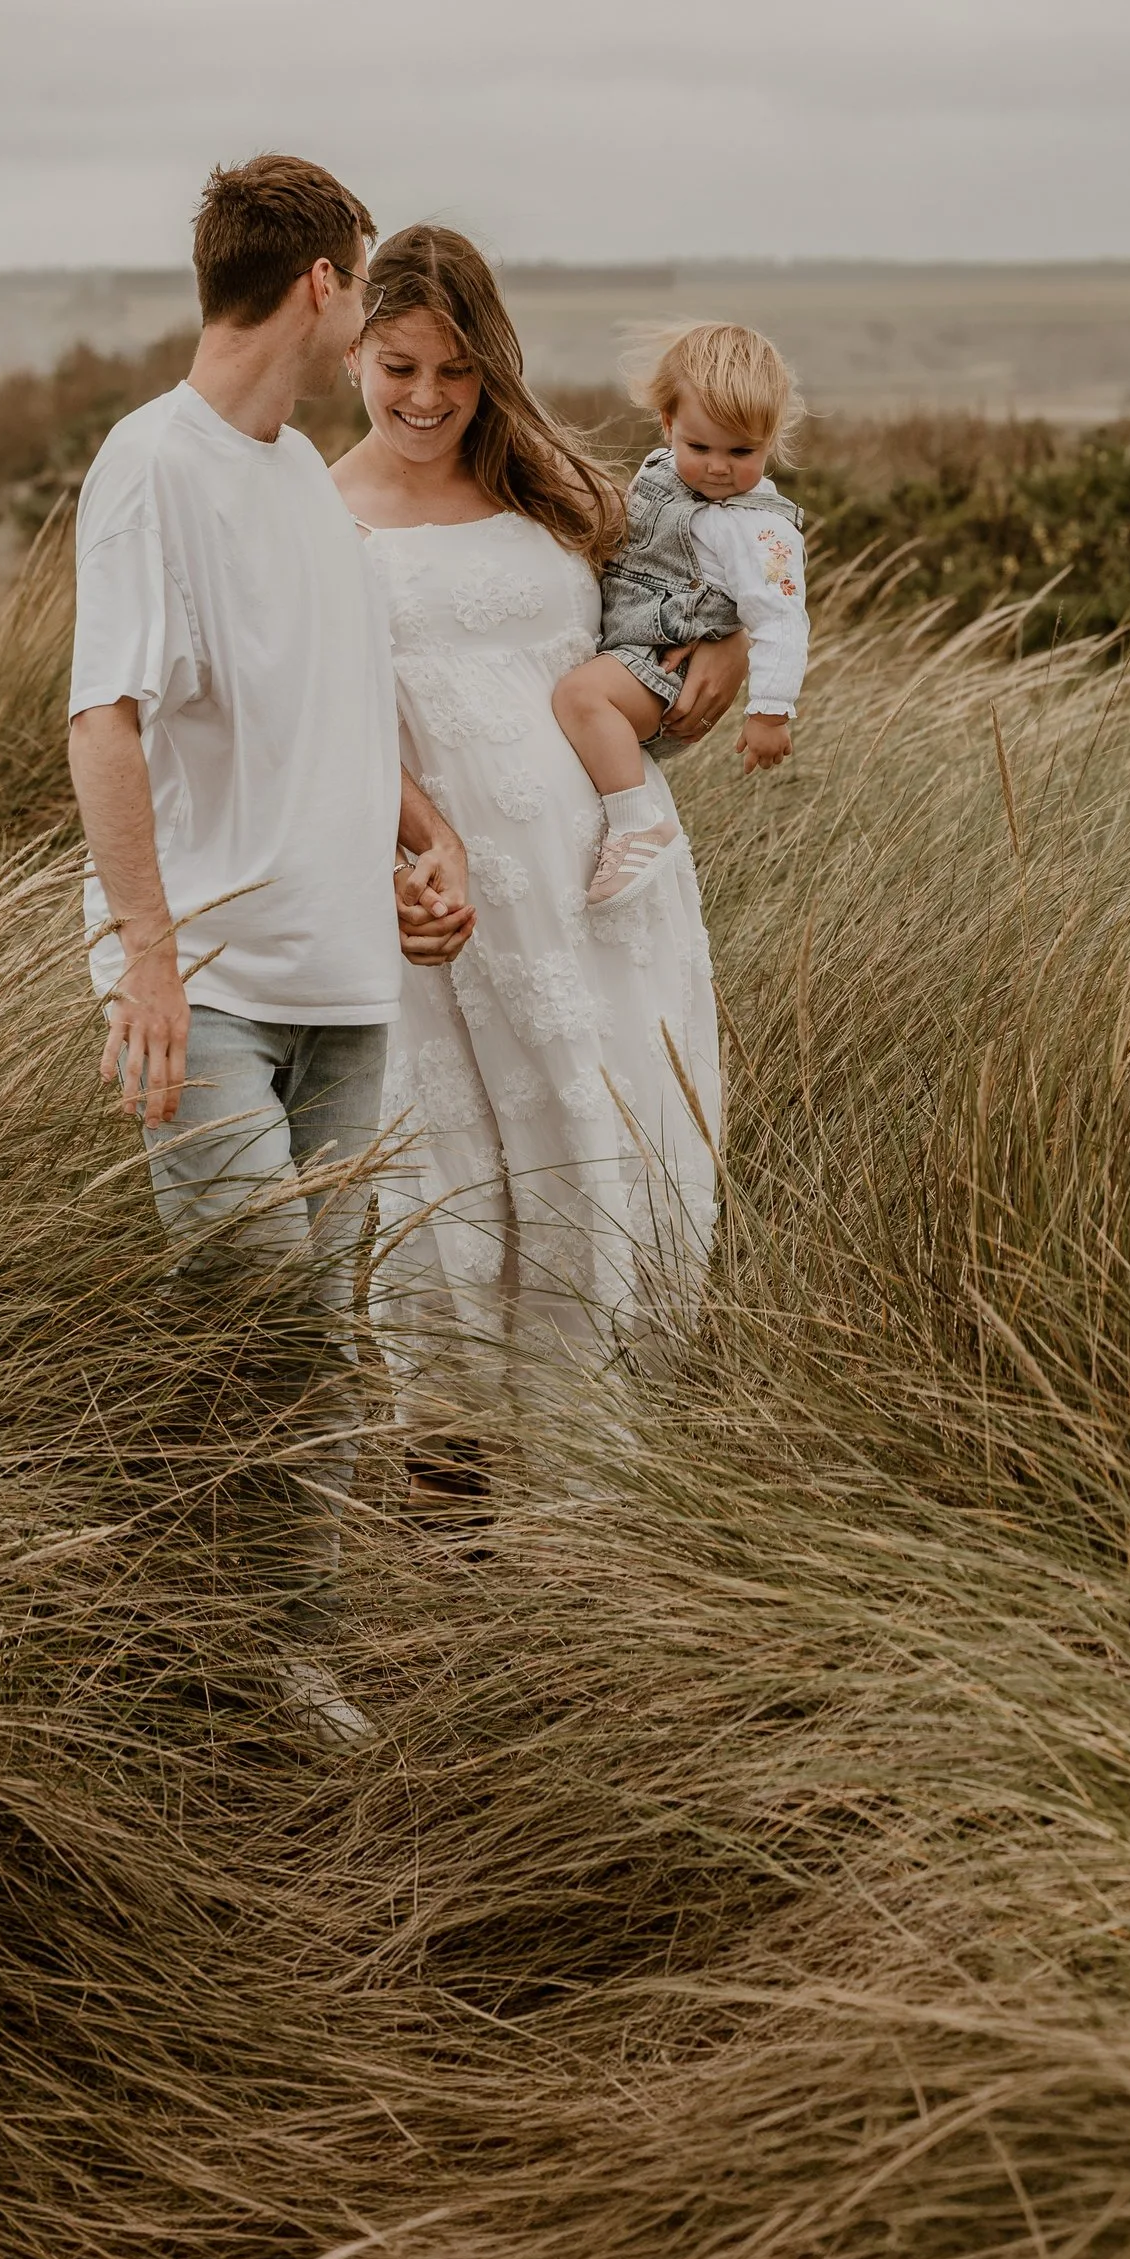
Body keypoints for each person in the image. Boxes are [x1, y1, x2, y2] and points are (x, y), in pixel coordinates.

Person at [65, 153, 472, 1688]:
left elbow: (343, 715)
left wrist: (429, 850)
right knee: (263, 1327)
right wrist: (152, 963)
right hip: (213, 994)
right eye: (359, 285)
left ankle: (281, 1661)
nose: (361, 309)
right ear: (321, 287)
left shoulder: (301, 473)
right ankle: (177, 1634)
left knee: (318, 1337)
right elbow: (101, 723)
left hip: (349, 988)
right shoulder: (150, 464)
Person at [328, 226, 741, 1478]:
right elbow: (316, 719)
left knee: (606, 1147)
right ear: (353, 346)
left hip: (597, 888)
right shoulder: (311, 514)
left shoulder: (552, 484)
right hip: (435, 903)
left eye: (454, 370)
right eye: (398, 364)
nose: (425, 398)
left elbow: (697, 573)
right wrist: (418, 840)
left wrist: (722, 649)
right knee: (450, 1182)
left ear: (490, 365)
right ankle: (451, 1497)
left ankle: (597, 1494)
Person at [552, 322, 809, 908]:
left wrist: (769, 712)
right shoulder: (659, 471)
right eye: (699, 448)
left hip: (665, 667)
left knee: (580, 698)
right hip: (628, 642)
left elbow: (781, 618)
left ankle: (635, 825)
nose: (718, 468)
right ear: (668, 425)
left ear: (769, 440)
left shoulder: (759, 528)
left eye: (741, 452)